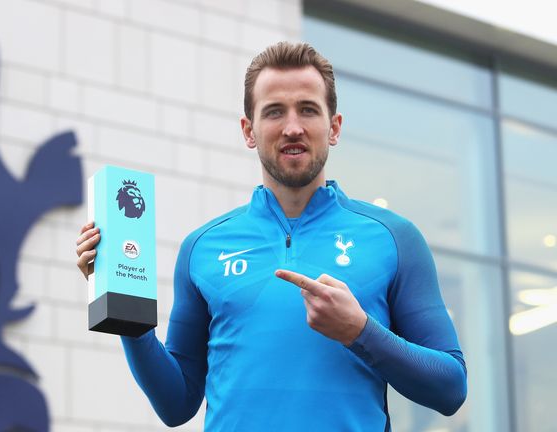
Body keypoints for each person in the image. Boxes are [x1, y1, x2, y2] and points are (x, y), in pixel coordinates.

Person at [75, 41, 467, 431]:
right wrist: (123, 302)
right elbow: (176, 405)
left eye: (308, 110)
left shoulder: (395, 238)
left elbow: (451, 388)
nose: (292, 127)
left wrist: (361, 332)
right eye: (274, 112)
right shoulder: (201, 247)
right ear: (249, 131)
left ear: (334, 127)